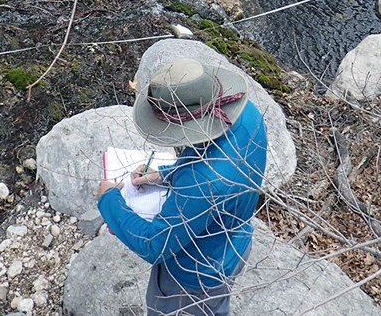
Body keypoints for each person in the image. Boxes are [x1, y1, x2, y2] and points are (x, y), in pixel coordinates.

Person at [97, 57, 267, 316]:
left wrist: (108, 199)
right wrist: (166, 175)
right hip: (235, 243)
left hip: (193, 276)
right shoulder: (247, 114)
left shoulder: (202, 182)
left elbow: (153, 244)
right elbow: (217, 160)